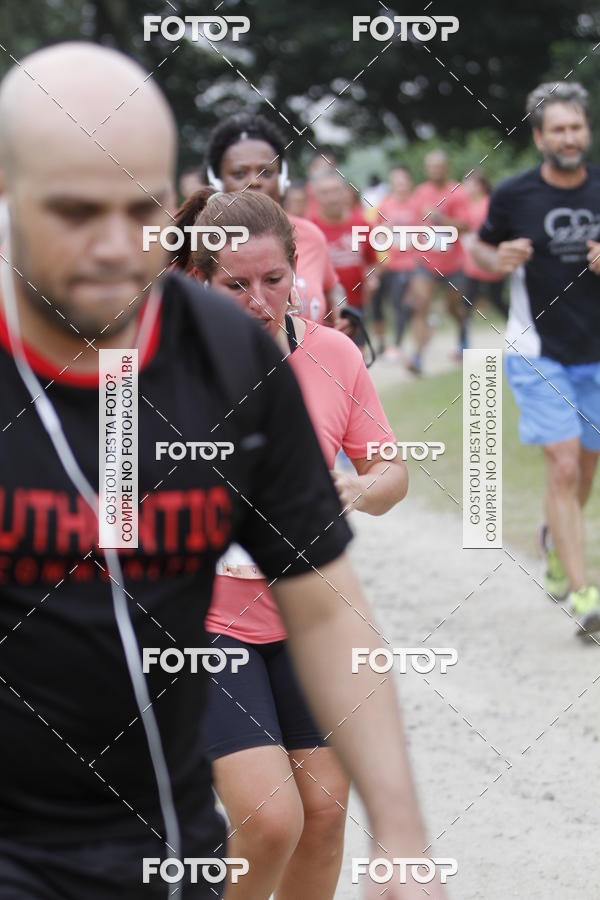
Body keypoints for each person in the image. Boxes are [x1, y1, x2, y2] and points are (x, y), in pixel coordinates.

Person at [0, 42, 447, 900]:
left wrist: (401, 836)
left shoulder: (229, 354)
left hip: (162, 847)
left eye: (138, 210)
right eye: (72, 210)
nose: (109, 246)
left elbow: (322, 607)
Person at [174, 186, 408, 899]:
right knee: (270, 819)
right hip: (205, 622)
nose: (258, 300)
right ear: (200, 281)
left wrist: (357, 490)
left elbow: (389, 470)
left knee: (325, 815)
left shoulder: (334, 353)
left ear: (295, 273)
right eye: (234, 284)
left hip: (314, 618)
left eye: (273, 280)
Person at [471, 81, 600, 637]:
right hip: (536, 350)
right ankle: (585, 593)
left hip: (595, 352)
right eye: (559, 129)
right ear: (539, 135)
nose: (570, 138)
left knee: (586, 469)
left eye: (577, 127)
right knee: (564, 464)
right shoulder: (514, 195)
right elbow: (477, 249)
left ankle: (553, 541)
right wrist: (496, 257)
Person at [203, 115, 345, 326]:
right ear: (217, 182)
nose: (255, 181)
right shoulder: (198, 244)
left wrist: (345, 317)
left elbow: (333, 294)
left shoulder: (311, 236)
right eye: (240, 173)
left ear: (282, 179)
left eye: (266, 172)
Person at [408, 150, 471, 373]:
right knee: (420, 305)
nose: (435, 171)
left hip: (453, 263)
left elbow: (466, 226)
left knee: (453, 307)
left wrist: (439, 218)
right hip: (425, 261)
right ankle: (417, 357)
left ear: (446, 168)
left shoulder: (457, 192)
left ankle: (463, 334)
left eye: (439, 167)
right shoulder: (420, 193)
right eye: (431, 167)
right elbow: (415, 225)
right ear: (426, 170)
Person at [309, 171, 379, 310]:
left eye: (336, 191)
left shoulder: (362, 225)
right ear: (316, 197)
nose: (332, 198)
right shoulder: (310, 229)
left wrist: (371, 279)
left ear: (345, 193)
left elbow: (372, 262)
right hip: (322, 310)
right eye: (325, 193)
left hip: (356, 307)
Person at [371, 165, 418, 359]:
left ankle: (396, 345)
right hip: (388, 263)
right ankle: (382, 341)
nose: (399, 186)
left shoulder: (417, 205)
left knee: (399, 302)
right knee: (380, 302)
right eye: (395, 182)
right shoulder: (385, 205)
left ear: (409, 183)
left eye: (402, 181)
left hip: (410, 264)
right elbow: (376, 234)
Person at [461, 170, 508, 318]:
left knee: (497, 300)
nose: (465, 187)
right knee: (467, 301)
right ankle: (463, 338)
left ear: (479, 186)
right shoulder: (466, 205)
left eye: (468, 183)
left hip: (490, 257)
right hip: (472, 260)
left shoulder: (489, 204)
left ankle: (520, 328)